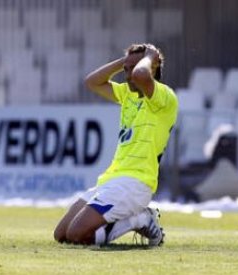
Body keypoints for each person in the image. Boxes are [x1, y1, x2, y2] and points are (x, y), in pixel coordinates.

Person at [53, 43, 178, 246]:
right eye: (126, 70)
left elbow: (140, 76)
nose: (128, 75)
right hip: (111, 181)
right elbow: (92, 82)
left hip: (135, 184)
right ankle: (134, 219)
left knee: (77, 235)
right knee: (62, 235)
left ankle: (141, 219)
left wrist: (149, 58)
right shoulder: (128, 95)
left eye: (133, 68)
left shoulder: (164, 97)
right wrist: (125, 62)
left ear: (151, 66)